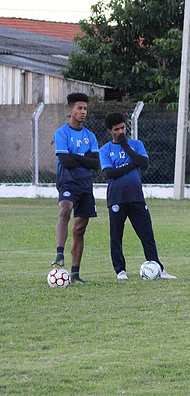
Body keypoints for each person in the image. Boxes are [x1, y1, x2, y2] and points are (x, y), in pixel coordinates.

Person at [99, 113, 176, 280]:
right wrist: (132, 164)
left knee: (147, 234)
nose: (121, 132)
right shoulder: (105, 150)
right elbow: (110, 173)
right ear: (109, 131)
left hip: (136, 197)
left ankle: (157, 268)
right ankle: (120, 270)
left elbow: (144, 163)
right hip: (116, 198)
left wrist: (126, 147)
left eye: (122, 128)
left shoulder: (136, 144)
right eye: (116, 129)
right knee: (116, 235)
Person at [52, 92, 100, 284]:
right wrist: (84, 159)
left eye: (85, 108)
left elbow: (96, 164)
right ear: (70, 110)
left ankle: (75, 274)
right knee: (65, 209)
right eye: (79, 108)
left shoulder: (90, 136)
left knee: (80, 229)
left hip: (85, 185)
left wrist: (77, 157)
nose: (83, 112)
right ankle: (59, 253)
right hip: (67, 182)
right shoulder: (61, 133)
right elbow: (65, 161)